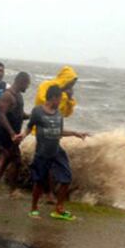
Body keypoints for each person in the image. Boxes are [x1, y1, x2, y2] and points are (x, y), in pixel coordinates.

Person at [24, 85, 89, 221]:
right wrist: (22, 135)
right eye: (59, 98)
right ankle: (34, 209)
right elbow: (30, 127)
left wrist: (75, 133)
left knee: (66, 177)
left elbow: (59, 131)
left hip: (56, 150)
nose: (60, 101)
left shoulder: (58, 113)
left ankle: (59, 209)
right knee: (39, 181)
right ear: (53, 98)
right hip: (42, 151)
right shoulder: (38, 111)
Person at [32, 66, 79, 202]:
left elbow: (67, 114)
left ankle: (49, 193)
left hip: (54, 134)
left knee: (51, 166)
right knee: (46, 166)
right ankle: (47, 194)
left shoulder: (63, 95)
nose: (71, 86)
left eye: (73, 84)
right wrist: (62, 96)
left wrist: (69, 99)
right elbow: (43, 101)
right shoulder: (48, 86)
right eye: (71, 82)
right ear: (65, 79)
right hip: (41, 133)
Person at [0, 71, 30, 197]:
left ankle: (9, 189)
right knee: (6, 159)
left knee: (14, 161)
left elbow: (19, 115)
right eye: (27, 84)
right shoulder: (7, 95)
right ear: (21, 81)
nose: (27, 87)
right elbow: (1, 115)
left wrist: (33, 117)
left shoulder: (18, 96)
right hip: (4, 135)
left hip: (13, 135)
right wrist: (12, 133)